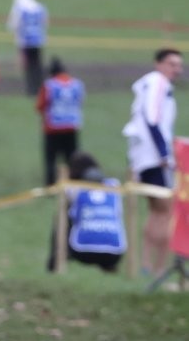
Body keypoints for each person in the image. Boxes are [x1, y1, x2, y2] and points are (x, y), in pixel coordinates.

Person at [122, 48, 183, 276]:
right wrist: (165, 155)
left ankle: (147, 264)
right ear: (158, 64)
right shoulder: (158, 83)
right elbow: (152, 118)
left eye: (178, 65)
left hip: (142, 156)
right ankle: (159, 266)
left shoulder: (149, 84)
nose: (176, 69)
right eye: (171, 64)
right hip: (154, 157)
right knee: (167, 211)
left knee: (156, 211)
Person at [46, 152, 126, 273]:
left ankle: (55, 261)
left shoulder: (73, 190)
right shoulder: (114, 186)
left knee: (63, 218)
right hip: (115, 254)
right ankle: (109, 267)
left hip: (82, 252)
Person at [36, 57, 85, 186]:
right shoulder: (77, 84)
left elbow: (40, 106)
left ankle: (50, 185)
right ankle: (73, 184)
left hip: (52, 128)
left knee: (50, 160)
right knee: (72, 159)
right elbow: (80, 102)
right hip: (71, 127)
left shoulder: (49, 85)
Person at [7, 0, 47, 96]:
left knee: (28, 66)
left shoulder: (19, 9)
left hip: (25, 41)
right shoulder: (40, 7)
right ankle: (40, 87)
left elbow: (13, 25)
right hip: (38, 40)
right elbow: (45, 22)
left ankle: (31, 89)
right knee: (37, 64)